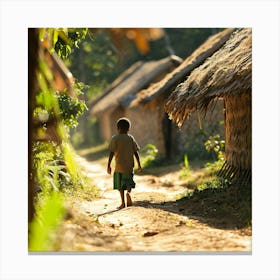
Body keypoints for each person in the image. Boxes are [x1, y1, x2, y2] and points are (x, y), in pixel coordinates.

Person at [107, 117, 142, 209]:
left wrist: (108, 165)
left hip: (119, 166)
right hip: (129, 166)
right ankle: (129, 193)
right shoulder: (130, 138)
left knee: (120, 185)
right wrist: (139, 164)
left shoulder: (115, 138)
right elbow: (136, 152)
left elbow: (111, 152)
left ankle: (123, 203)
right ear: (128, 129)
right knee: (128, 182)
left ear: (118, 128)